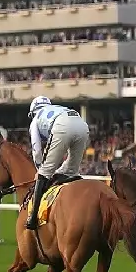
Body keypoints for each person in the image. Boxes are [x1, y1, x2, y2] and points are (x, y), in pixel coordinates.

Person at [25, 95, 90, 230]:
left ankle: (32, 218)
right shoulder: (57, 108)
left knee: (44, 173)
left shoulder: (35, 120)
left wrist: (40, 170)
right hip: (82, 124)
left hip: (61, 125)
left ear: (32, 112)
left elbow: (37, 150)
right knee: (71, 171)